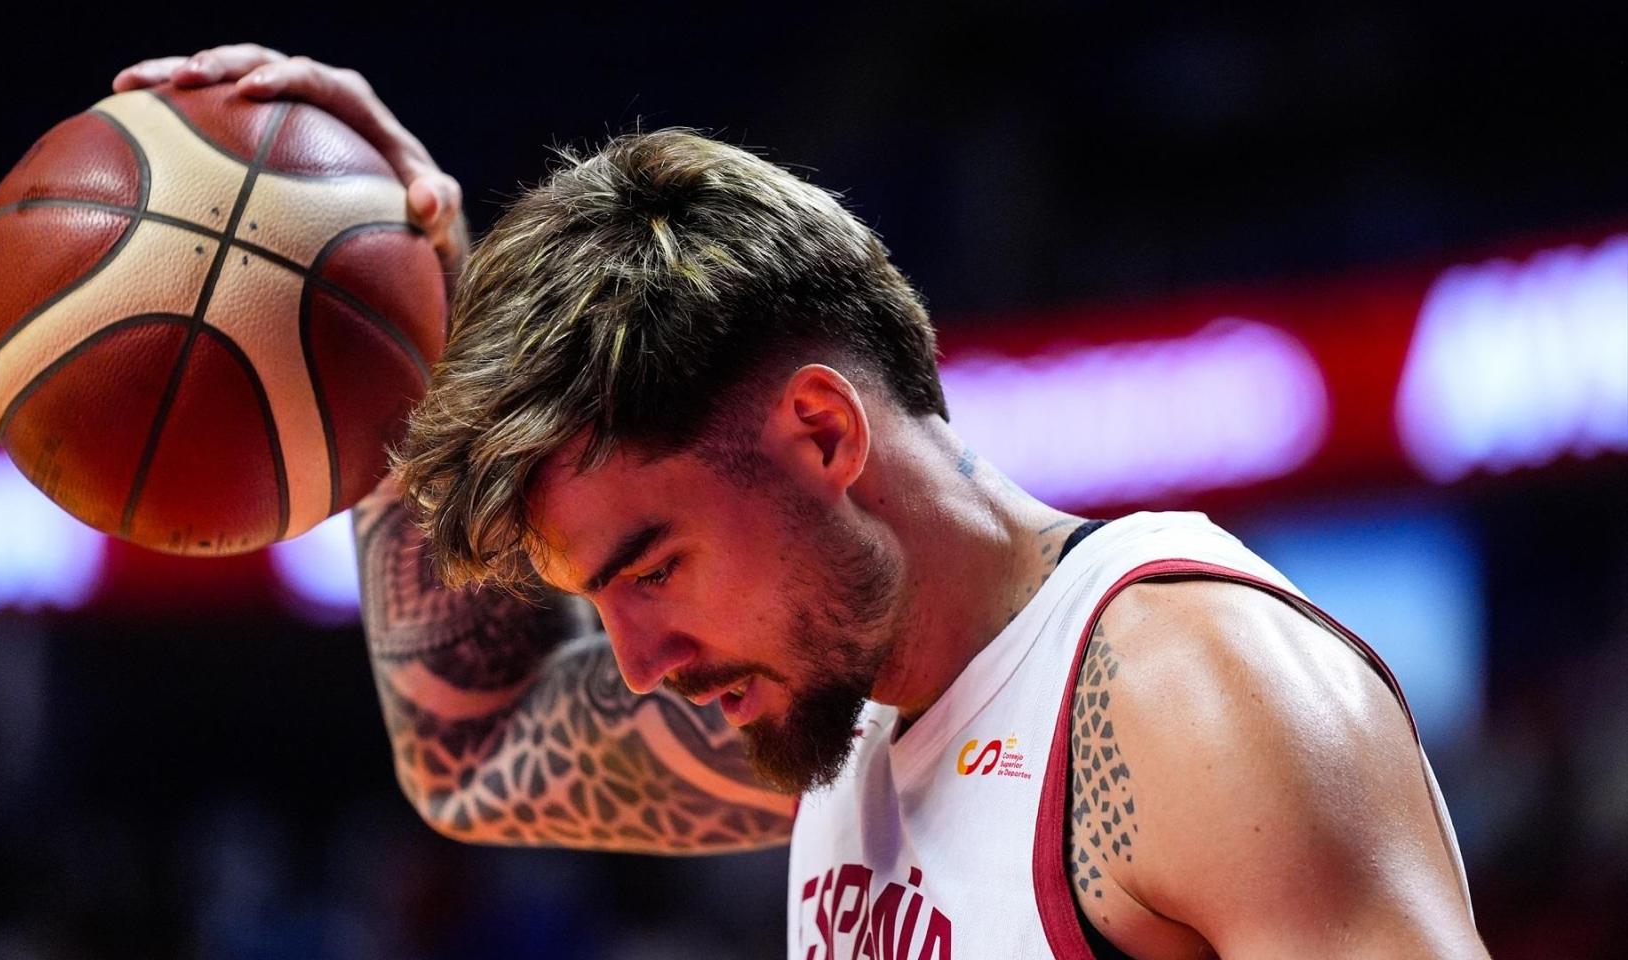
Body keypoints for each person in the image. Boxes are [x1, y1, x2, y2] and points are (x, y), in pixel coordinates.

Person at [116, 45, 1491, 959]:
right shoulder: (850, 698)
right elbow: (476, 760)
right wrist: (399, 303)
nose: (639, 666)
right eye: (597, 601)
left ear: (822, 432)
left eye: (648, 567)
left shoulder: (1186, 703)